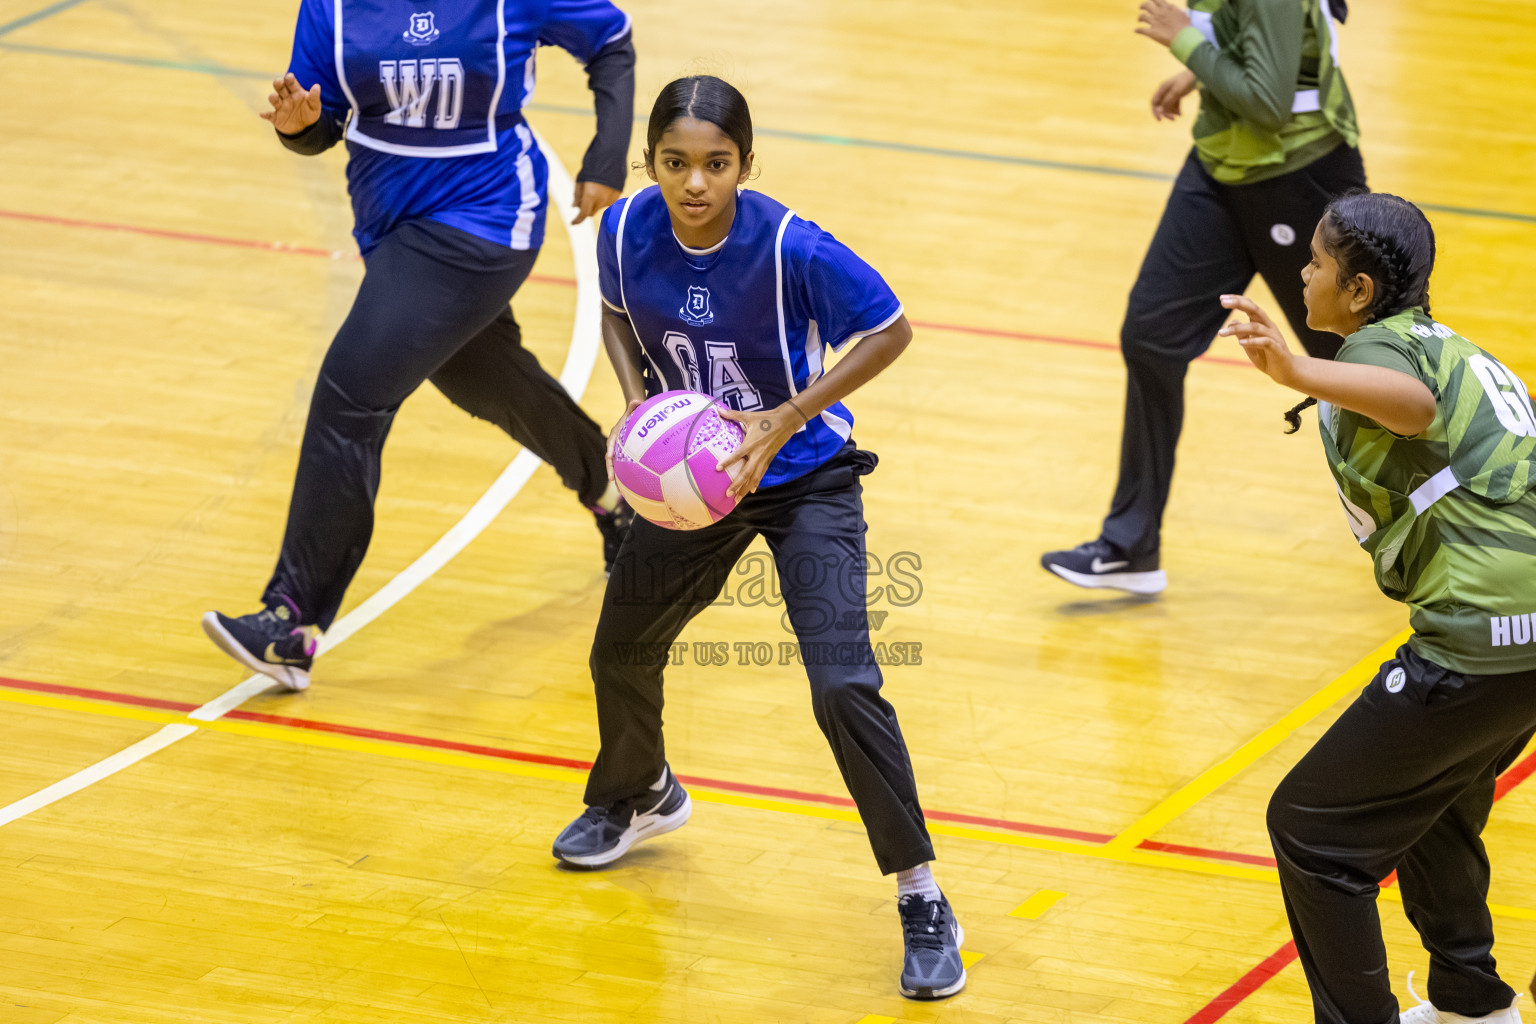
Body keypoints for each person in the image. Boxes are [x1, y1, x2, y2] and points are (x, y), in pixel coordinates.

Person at [548, 76, 966, 1001]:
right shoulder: (624, 230)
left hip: (803, 478)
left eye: (716, 164)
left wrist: (788, 415)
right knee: (621, 648)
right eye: (674, 163)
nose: (694, 182)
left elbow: (891, 329)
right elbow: (615, 311)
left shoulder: (789, 246)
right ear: (649, 162)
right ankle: (639, 793)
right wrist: (636, 401)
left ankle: (921, 893)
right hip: (697, 483)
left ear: (745, 163)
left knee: (843, 683)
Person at [201, 0, 637, 691]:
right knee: (484, 378)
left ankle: (294, 624)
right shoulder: (334, 9)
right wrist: (301, 128)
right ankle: (617, 494)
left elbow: (611, 40)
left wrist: (607, 155)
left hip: (486, 219)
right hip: (389, 225)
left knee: (350, 394)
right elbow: (327, 120)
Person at [1223, 192, 1536, 1024]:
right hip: (1525, 641)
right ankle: (1472, 1003)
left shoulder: (1387, 352)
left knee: (1311, 832)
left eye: (1317, 263)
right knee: (1432, 797)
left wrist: (1293, 369)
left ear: (1359, 289)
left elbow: (1412, 408)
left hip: (1481, 637)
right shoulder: (1454, 347)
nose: (1302, 273)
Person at [1041, 0, 1367, 595]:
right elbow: (1260, 40)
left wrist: (1185, 44)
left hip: (1298, 171)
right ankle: (1130, 545)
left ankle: (1472, 513)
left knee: (1364, 360)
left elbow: (1269, 104)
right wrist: (1201, 70)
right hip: (1222, 164)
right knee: (1152, 337)